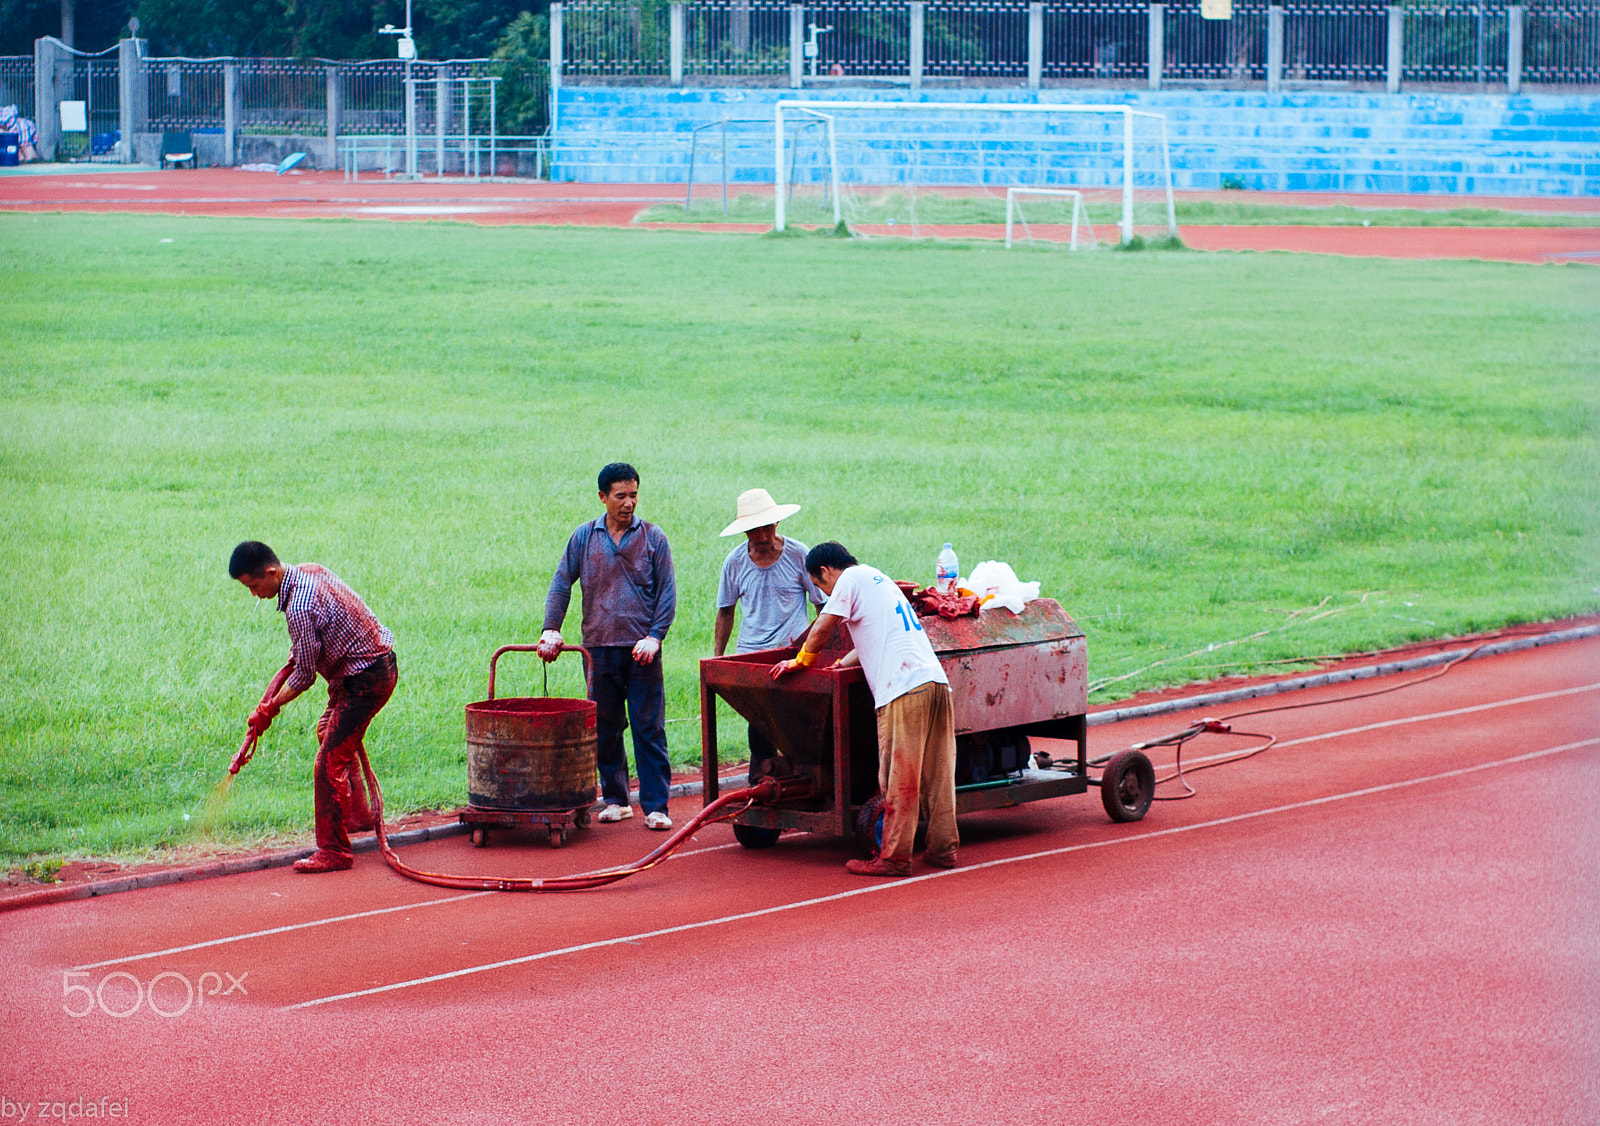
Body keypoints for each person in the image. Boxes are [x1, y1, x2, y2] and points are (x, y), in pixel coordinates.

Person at [772, 542, 957, 877]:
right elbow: (874, 636)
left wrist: (801, 661)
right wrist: (841, 663)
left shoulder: (848, 581)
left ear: (825, 572)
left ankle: (895, 857)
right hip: (936, 683)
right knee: (938, 776)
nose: (824, 592)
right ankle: (944, 850)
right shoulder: (878, 579)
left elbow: (824, 626)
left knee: (897, 778)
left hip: (902, 689)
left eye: (819, 585)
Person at [229, 541, 398, 874]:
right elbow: (304, 653)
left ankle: (335, 850)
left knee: (327, 764)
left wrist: (269, 709)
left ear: (271, 573)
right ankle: (359, 815)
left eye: (254, 586)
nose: (254, 594)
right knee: (327, 733)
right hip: (365, 668)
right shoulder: (309, 570)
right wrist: (271, 702)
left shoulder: (299, 608)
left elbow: (305, 675)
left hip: (367, 679)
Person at [539, 463, 678, 831]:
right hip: (598, 648)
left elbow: (667, 592)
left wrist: (655, 635)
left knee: (648, 727)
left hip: (641, 649)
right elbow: (560, 584)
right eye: (621, 496)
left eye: (633, 495)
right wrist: (550, 629)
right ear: (602, 497)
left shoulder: (653, 537)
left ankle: (655, 805)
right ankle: (616, 799)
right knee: (605, 726)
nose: (628, 503)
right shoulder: (584, 537)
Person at [713, 488, 825, 783]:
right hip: (752, 656)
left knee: (798, 720)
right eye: (754, 530)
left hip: (792, 654)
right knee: (759, 721)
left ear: (777, 523)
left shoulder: (799, 554)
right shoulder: (734, 562)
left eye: (768, 527)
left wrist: (812, 647)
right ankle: (760, 779)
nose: (762, 536)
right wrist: (718, 657)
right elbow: (725, 611)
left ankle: (801, 777)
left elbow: (822, 606)